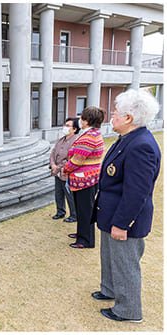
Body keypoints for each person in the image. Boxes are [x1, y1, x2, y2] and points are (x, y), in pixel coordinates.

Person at [91, 89, 161, 323]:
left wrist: (122, 224)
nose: (112, 116)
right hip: (110, 215)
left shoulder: (141, 145)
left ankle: (128, 310)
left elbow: (136, 192)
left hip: (123, 219)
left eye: (115, 112)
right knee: (110, 258)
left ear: (129, 118)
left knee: (125, 264)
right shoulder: (127, 138)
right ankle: (109, 289)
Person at [62, 107, 105, 248]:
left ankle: (85, 240)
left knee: (85, 210)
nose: (79, 120)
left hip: (85, 180)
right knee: (82, 209)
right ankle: (81, 233)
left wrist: (65, 169)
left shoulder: (89, 137)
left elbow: (77, 159)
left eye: (81, 118)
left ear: (86, 121)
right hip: (85, 178)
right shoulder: (91, 133)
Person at [49, 117, 79, 223]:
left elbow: (70, 159)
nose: (65, 127)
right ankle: (60, 212)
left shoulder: (76, 141)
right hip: (57, 172)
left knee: (69, 195)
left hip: (67, 173)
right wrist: (52, 164)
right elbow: (53, 153)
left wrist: (57, 168)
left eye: (68, 126)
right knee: (58, 193)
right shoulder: (61, 139)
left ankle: (74, 215)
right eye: (65, 125)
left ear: (74, 129)